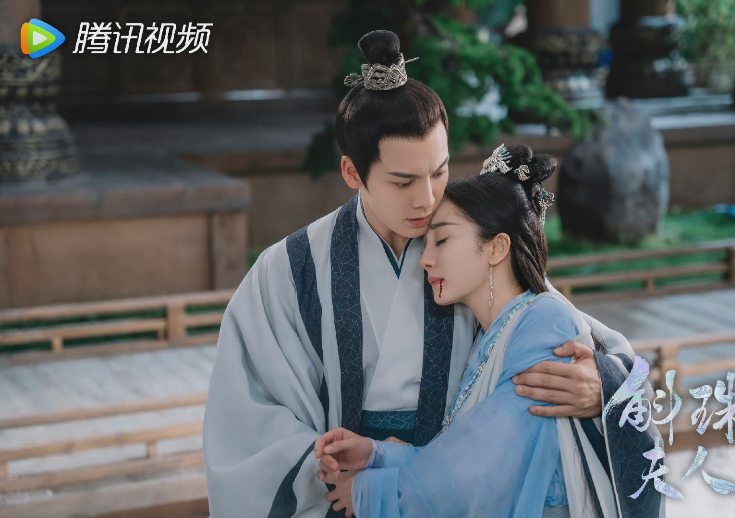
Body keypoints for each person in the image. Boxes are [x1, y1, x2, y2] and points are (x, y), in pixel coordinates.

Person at [203, 30, 656, 518]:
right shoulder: (293, 269)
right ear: (353, 173)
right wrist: (335, 467)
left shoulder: (471, 243)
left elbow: (586, 344)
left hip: (456, 491)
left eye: (439, 172)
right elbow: (248, 413)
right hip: (347, 493)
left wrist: (601, 389)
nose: (426, 199)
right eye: (403, 182)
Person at [314, 145, 664, 518]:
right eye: (424, 245)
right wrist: (376, 453)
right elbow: (460, 453)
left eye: (441, 240)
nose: (425, 259)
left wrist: (369, 491)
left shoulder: (544, 321)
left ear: (497, 247)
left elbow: (482, 466)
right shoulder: (491, 335)